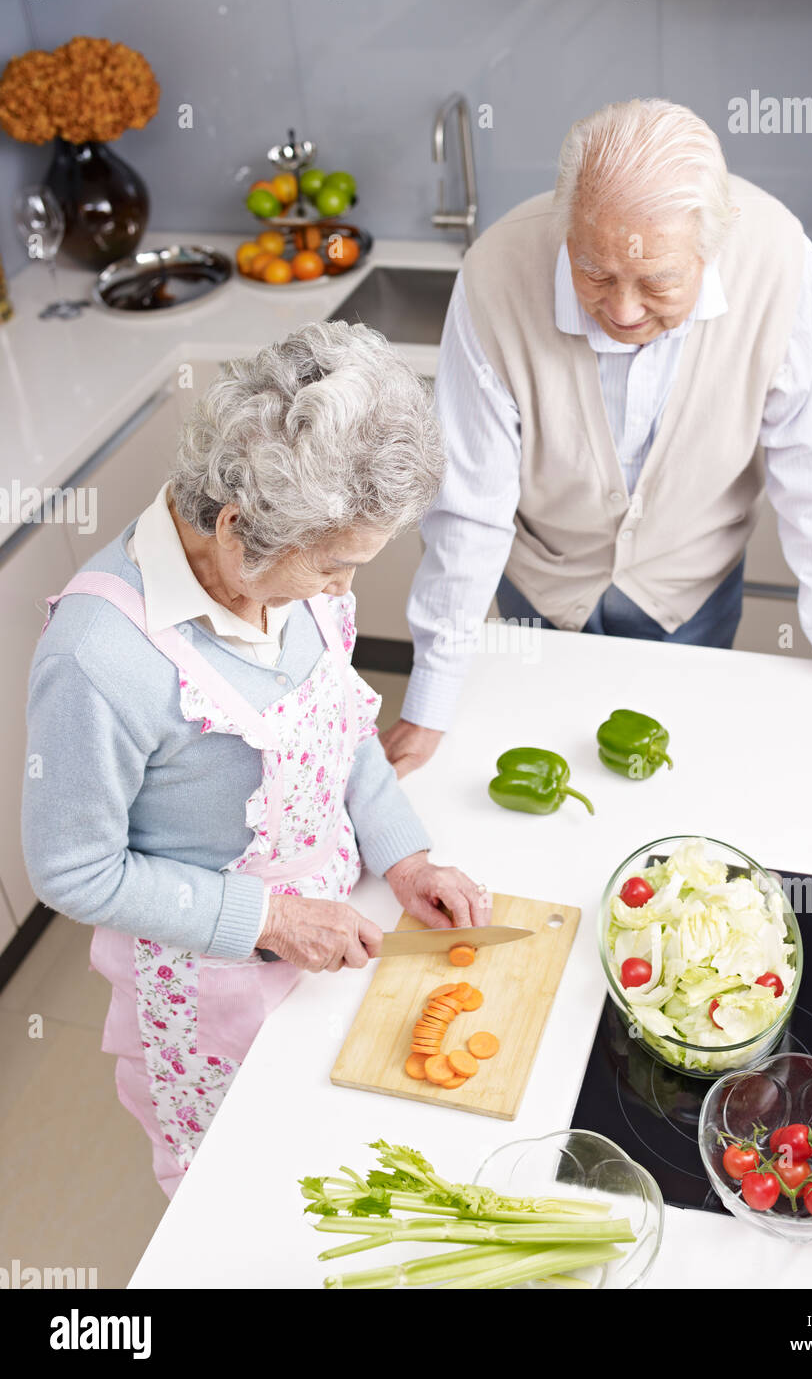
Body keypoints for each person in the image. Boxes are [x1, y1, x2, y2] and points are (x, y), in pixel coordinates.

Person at [22, 320, 488, 1197]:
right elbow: (73, 870)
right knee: (240, 1195)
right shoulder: (99, 655)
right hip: (212, 986)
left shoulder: (290, 578)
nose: (344, 593)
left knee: (333, 1167)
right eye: (335, 568)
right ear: (237, 527)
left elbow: (340, 729)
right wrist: (272, 921)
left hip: (333, 935)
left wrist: (405, 854)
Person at [381, 97, 812, 779]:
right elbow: (469, 501)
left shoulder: (774, 257)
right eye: (594, 272)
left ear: (716, 241)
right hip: (540, 584)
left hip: (692, 582)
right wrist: (432, 695)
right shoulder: (495, 272)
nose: (622, 309)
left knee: (674, 776)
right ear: (565, 228)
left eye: (657, 281)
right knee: (547, 764)